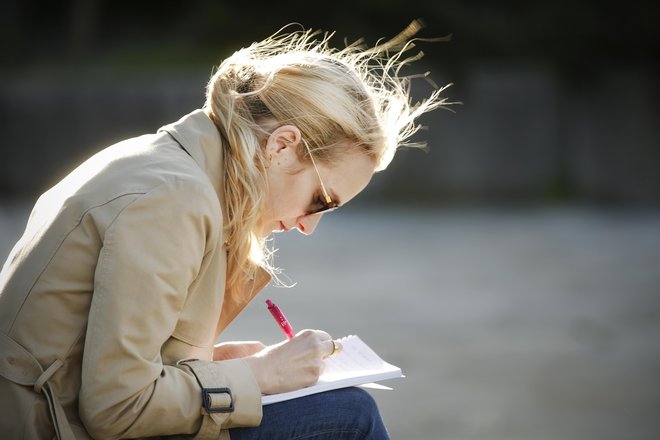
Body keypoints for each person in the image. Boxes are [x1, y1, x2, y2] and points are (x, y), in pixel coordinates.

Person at [0, 21, 450, 439]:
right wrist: (262, 375)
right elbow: (117, 406)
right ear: (282, 146)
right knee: (351, 415)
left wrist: (216, 365)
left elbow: (100, 360)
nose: (309, 225)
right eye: (321, 200)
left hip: (55, 416)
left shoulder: (168, 164)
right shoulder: (172, 199)